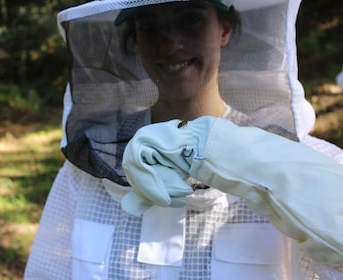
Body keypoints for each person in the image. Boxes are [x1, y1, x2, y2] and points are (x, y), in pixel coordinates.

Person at [24, 0, 343, 279]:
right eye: (149, 26)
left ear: (224, 29)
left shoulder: (307, 161)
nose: (171, 43)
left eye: (191, 19)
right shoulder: (91, 165)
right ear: (135, 41)